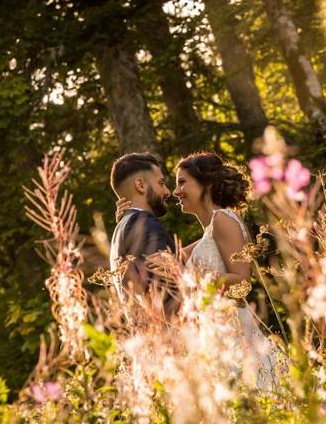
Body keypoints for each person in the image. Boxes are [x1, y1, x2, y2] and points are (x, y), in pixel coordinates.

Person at [117, 151, 285, 392]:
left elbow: (242, 284)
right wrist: (125, 221)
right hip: (217, 335)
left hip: (237, 336)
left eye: (182, 182)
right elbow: (168, 259)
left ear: (206, 183)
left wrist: (183, 274)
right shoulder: (209, 233)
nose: (176, 192)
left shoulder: (223, 220)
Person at [109, 153, 176, 302]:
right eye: (161, 183)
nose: (167, 192)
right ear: (140, 185)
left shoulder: (121, 228)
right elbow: (166, 288)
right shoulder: (144, 222)